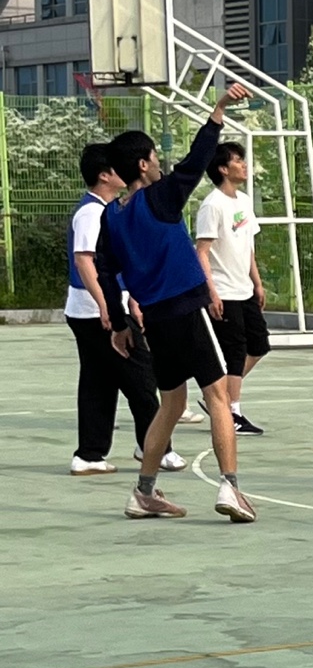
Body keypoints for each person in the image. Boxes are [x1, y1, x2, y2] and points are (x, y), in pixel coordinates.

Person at [96, 83, 257, 523]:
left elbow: (106, 271)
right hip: (187, 308)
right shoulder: (160, 197)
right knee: (218, 394)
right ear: (143, 164)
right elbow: (197, 160)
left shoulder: (113, 215)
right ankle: (231, 487)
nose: (159, 164)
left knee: (170, 403)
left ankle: (144, 492)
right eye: (154, 157)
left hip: (155, 319)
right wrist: (218, 108)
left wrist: (120, 325)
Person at [65, 144, 185, 477]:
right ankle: (155, 447)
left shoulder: (107, 210)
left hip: (89, 310)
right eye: (117, 167)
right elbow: (84, 261)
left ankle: (90, 454)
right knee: (142, 378)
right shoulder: (91, 213)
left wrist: (130, 297)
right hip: (95, 312)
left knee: (98, 383)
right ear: (105, 175)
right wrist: (107, 305)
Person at [196, 141, 269, 436]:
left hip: (244, 288)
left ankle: (217, 396)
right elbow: (202, 252)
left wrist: (257, 283)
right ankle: (231, 411)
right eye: (238, 160)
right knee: (235, 352)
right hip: (224, 290)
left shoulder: (244, 201)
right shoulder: (212, 205)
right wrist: (211, 292)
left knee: (259, 345)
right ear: (223, 169)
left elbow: (247, 246)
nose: (244, 165)